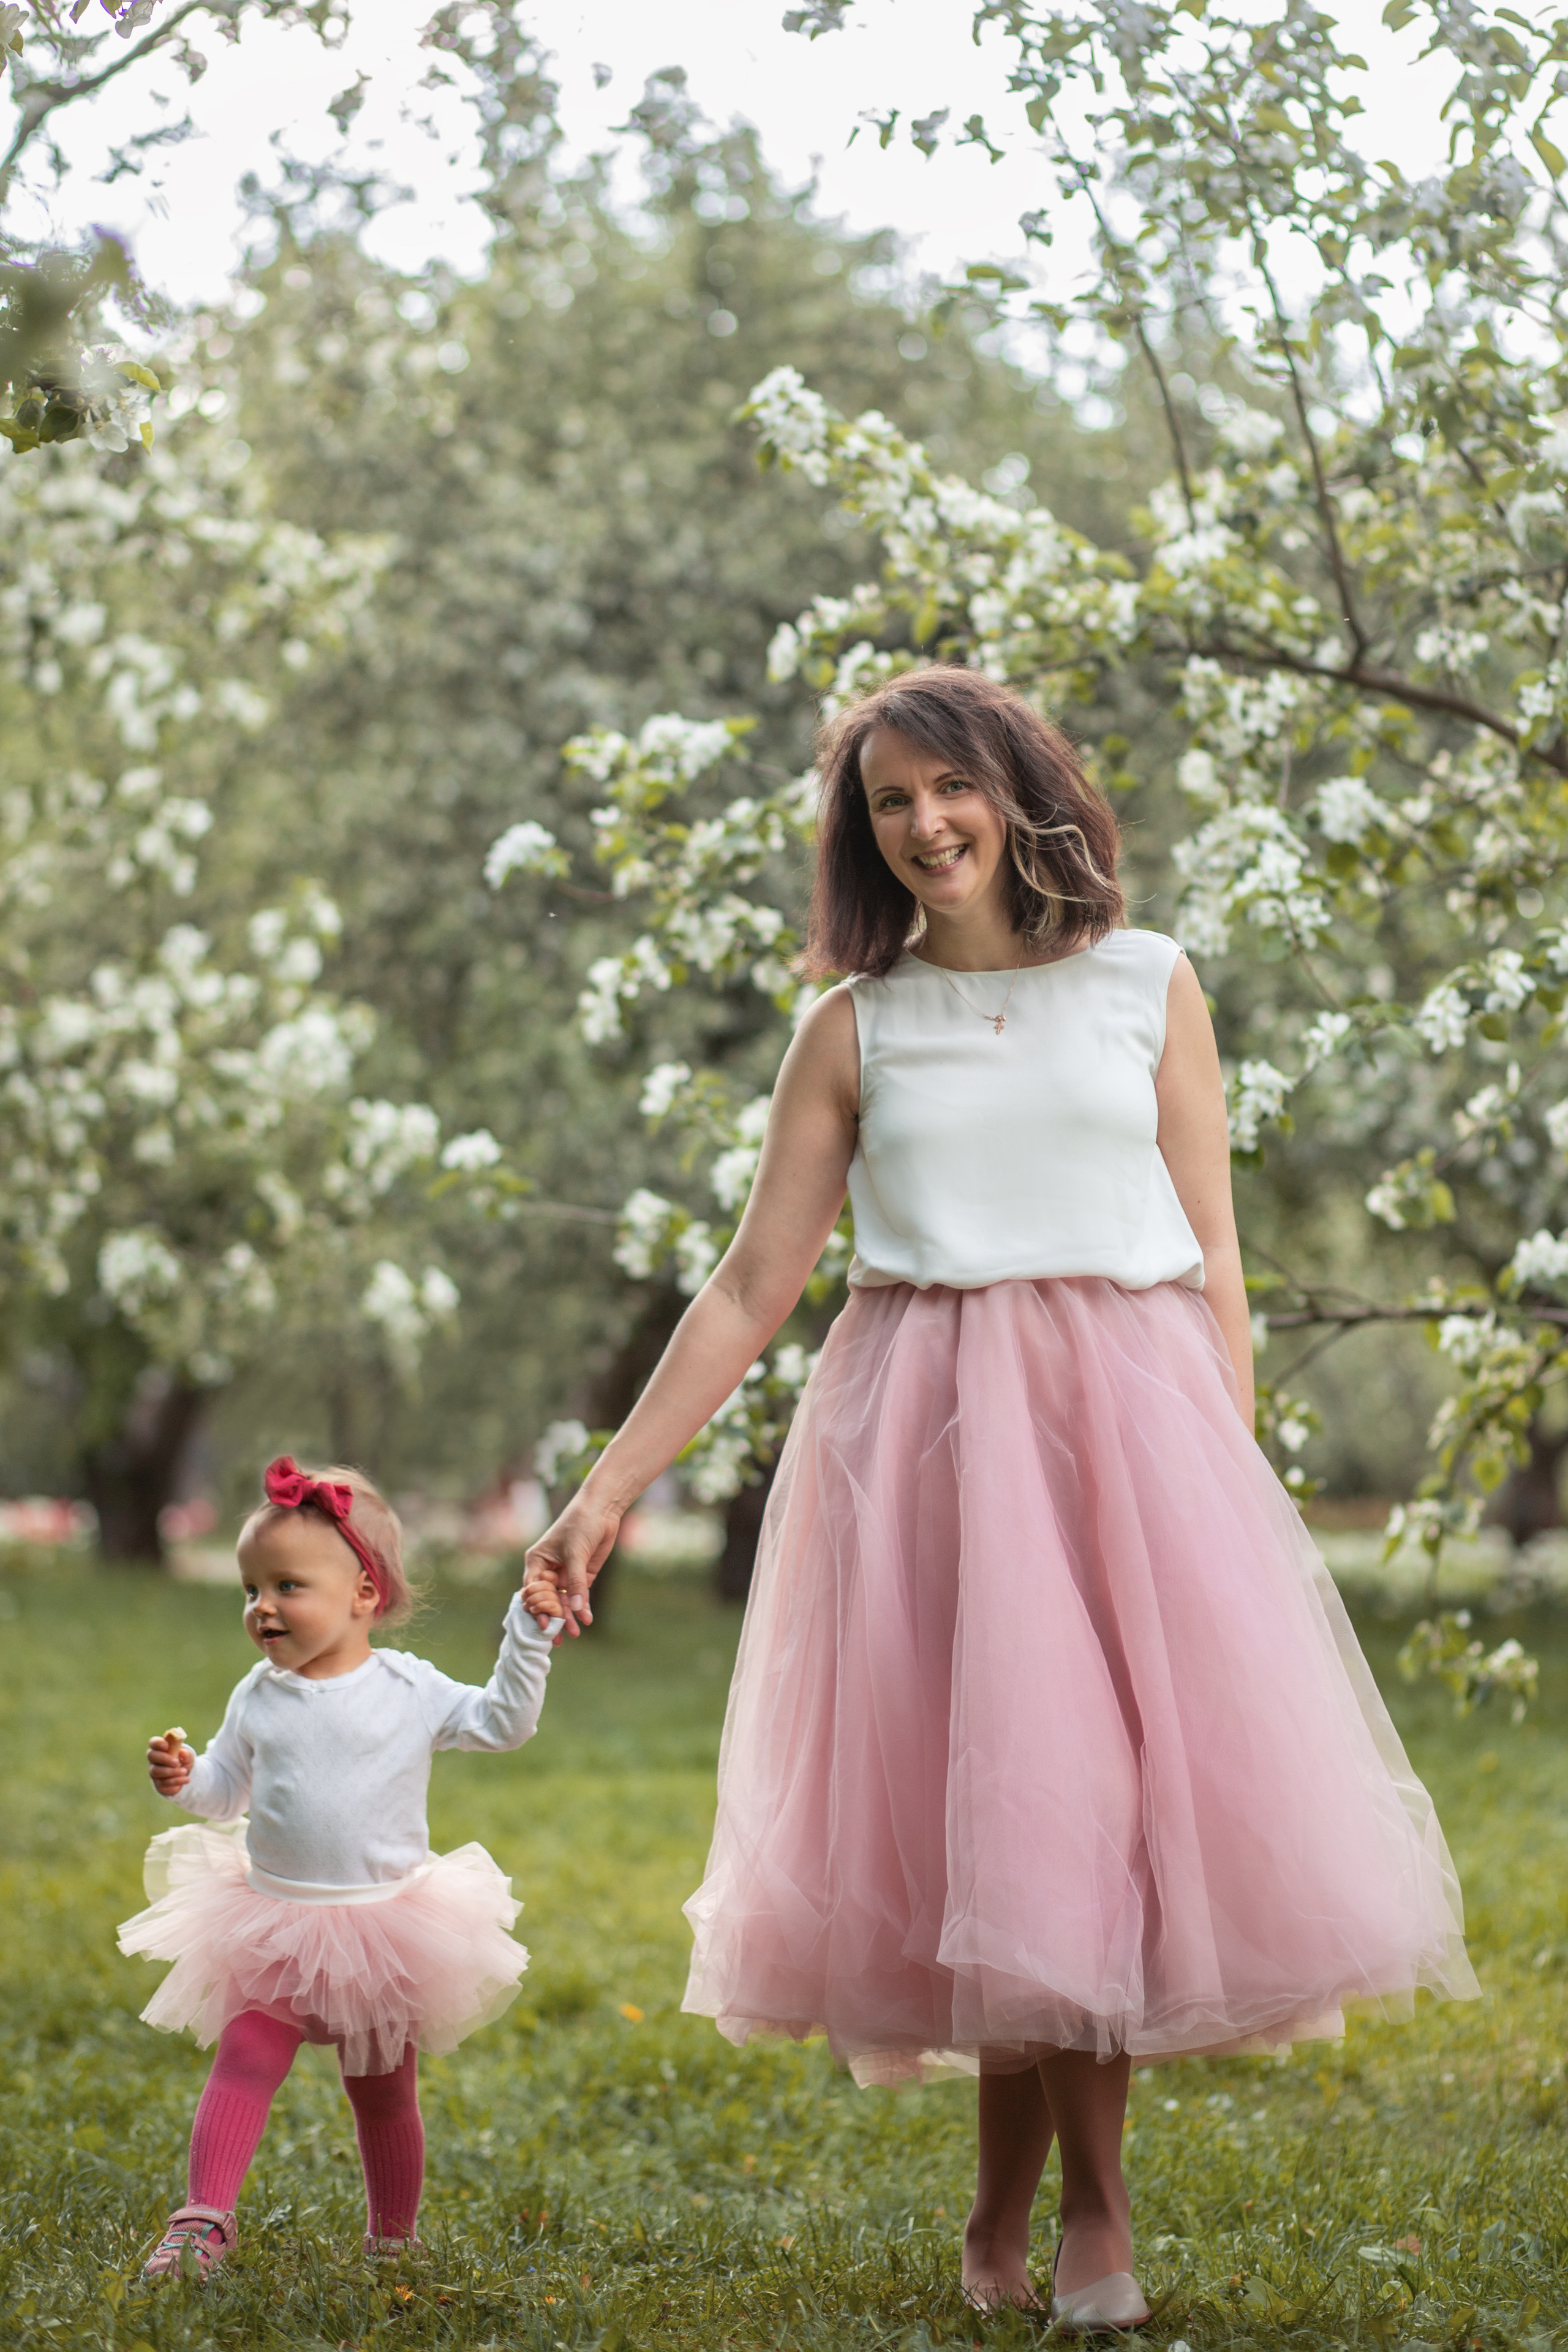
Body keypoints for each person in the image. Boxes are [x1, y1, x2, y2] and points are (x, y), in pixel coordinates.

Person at [522, 666, 1477, 2330]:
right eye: (887, 802)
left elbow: (1216, 1245)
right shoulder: (853, 1029)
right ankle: (1029, 2219)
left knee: (1090, 1819)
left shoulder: (1145, 984)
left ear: (1017, 787)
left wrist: (1226, 1480)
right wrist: (604, 1493)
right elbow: (754, 1284)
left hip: (1136, 1436)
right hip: (934, 1439)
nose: (922, 824)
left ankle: (1072, 2216)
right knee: (1012, 1810)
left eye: (944, 788)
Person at [119, 1457, 560, 2280]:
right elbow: (226, 1791)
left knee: (384, 2090)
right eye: (250, 1590)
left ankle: (393, 2237)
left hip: (384, 1928)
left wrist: (526, 1635)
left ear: (365, 1594)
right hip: (274, 1922)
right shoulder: (258, 1695)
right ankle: (204, 2219)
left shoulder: (409, 1689)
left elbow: (503, 1723)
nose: (263, 1608)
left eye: (288, 1587)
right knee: (246, 2057)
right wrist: (186, 1781)